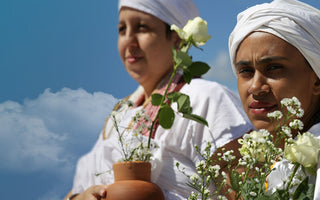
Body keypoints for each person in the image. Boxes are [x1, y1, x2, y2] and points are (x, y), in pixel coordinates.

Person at [64, 0, 253, 199]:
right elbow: (76, 190)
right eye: (122, 29)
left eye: (142, 28)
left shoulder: (205, 99)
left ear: (177, 39)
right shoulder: (119, 116)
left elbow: (247, 190)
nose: (129, 40)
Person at [229, 0, 320, 198]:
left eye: (274, 68)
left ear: (317, 80)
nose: (255, 87)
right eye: (245, 71)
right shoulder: (242, 162)